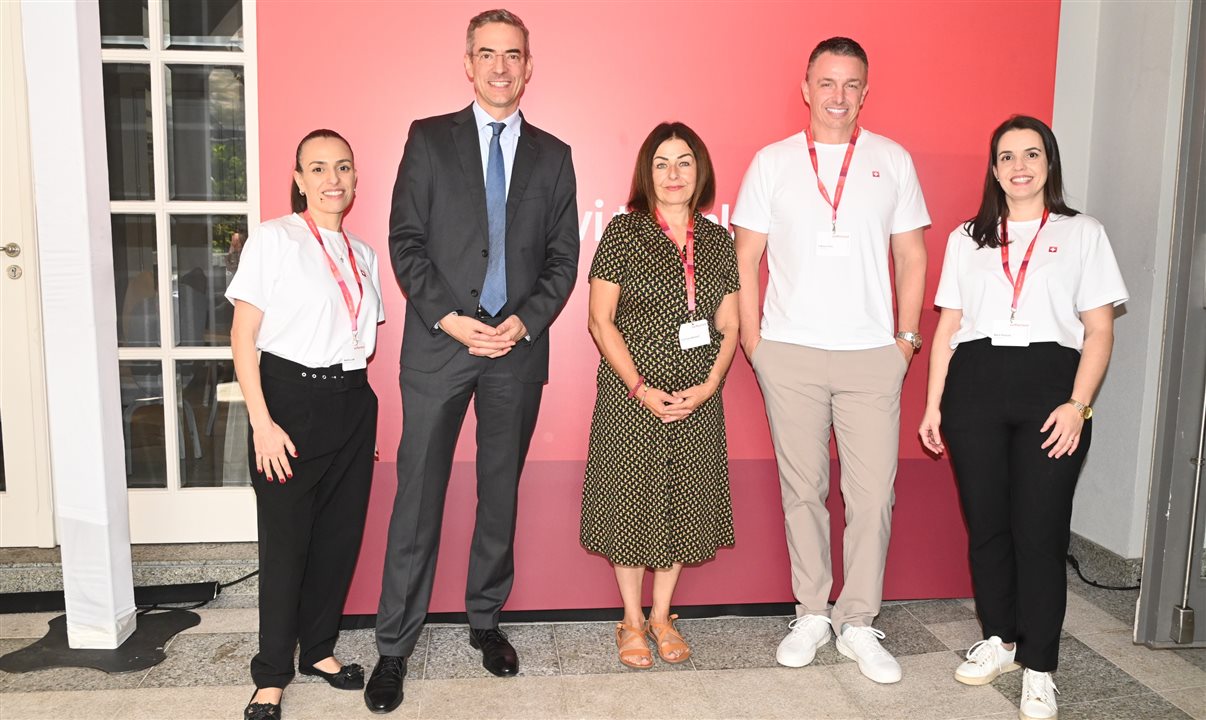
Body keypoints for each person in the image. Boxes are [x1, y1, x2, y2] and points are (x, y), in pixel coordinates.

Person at [365, 8, 578, 714]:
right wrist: (453, 320)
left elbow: (562, 260)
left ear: (528, 64)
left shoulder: (554, 155)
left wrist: (521, 324)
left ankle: (485, 620)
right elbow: (406, 242)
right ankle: (394, 645)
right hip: (439, 346)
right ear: (468, 62)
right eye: (486, 53)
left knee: (500, 494)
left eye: (512, 54)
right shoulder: (428, 140)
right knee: (417, 497)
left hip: (514, 352)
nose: (499, 66)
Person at [731, 36, 930, 684]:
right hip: (790, 353)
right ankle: (812, 611)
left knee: (872, 498)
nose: (838, 96)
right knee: (803, 493)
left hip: (873, 355)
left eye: (851, 85)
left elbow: (912, 257)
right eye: (827, 83)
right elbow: (746, 258)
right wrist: (756, 345)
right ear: (806, 87)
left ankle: (859, 621)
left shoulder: (892, 162)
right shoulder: (773, 163)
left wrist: (904, 343)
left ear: (865, 92)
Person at [919, 115, 1127, 720]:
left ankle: (1040, 664)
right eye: (1006, 156)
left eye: (1031, 154)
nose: (1019, 166)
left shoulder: (1082, 232)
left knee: (1039, 533)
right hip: (975, 389)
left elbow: (1098, 331)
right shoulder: (967, 238)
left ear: (1049, 163)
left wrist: (1079, 404)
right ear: (994, 168)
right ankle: (1003, 639)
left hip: (1051, 391)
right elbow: (949, 329)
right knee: (987, 528)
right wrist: (934, 403)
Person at [228, 129, 385, 720]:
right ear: (298, 179)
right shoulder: (273, 239)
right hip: (288, 403)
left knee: (337, 542)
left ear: (354, 176)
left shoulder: (364, 254)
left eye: (342, 167)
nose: (332, 180)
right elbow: (244, 338)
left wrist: (359, 424)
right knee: (287, 546)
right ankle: (270, 675)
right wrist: (262, 423)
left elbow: (358, 341)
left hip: (351, 402)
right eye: (317, 169)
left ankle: (317, 650)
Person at [581, 122, 740, 669]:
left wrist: (708, 387)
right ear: (646, 173)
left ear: (701, 172)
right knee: (630, 506)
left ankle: (662, 615)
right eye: (662, 164)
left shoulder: (718, 241)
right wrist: (641, 387)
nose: (674, 175)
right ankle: (629, 619)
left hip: (698, 398)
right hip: (632, 398)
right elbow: (601, 322)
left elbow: (729, 324)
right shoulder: (623, 234)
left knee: (679, 503)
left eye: (685, 163)